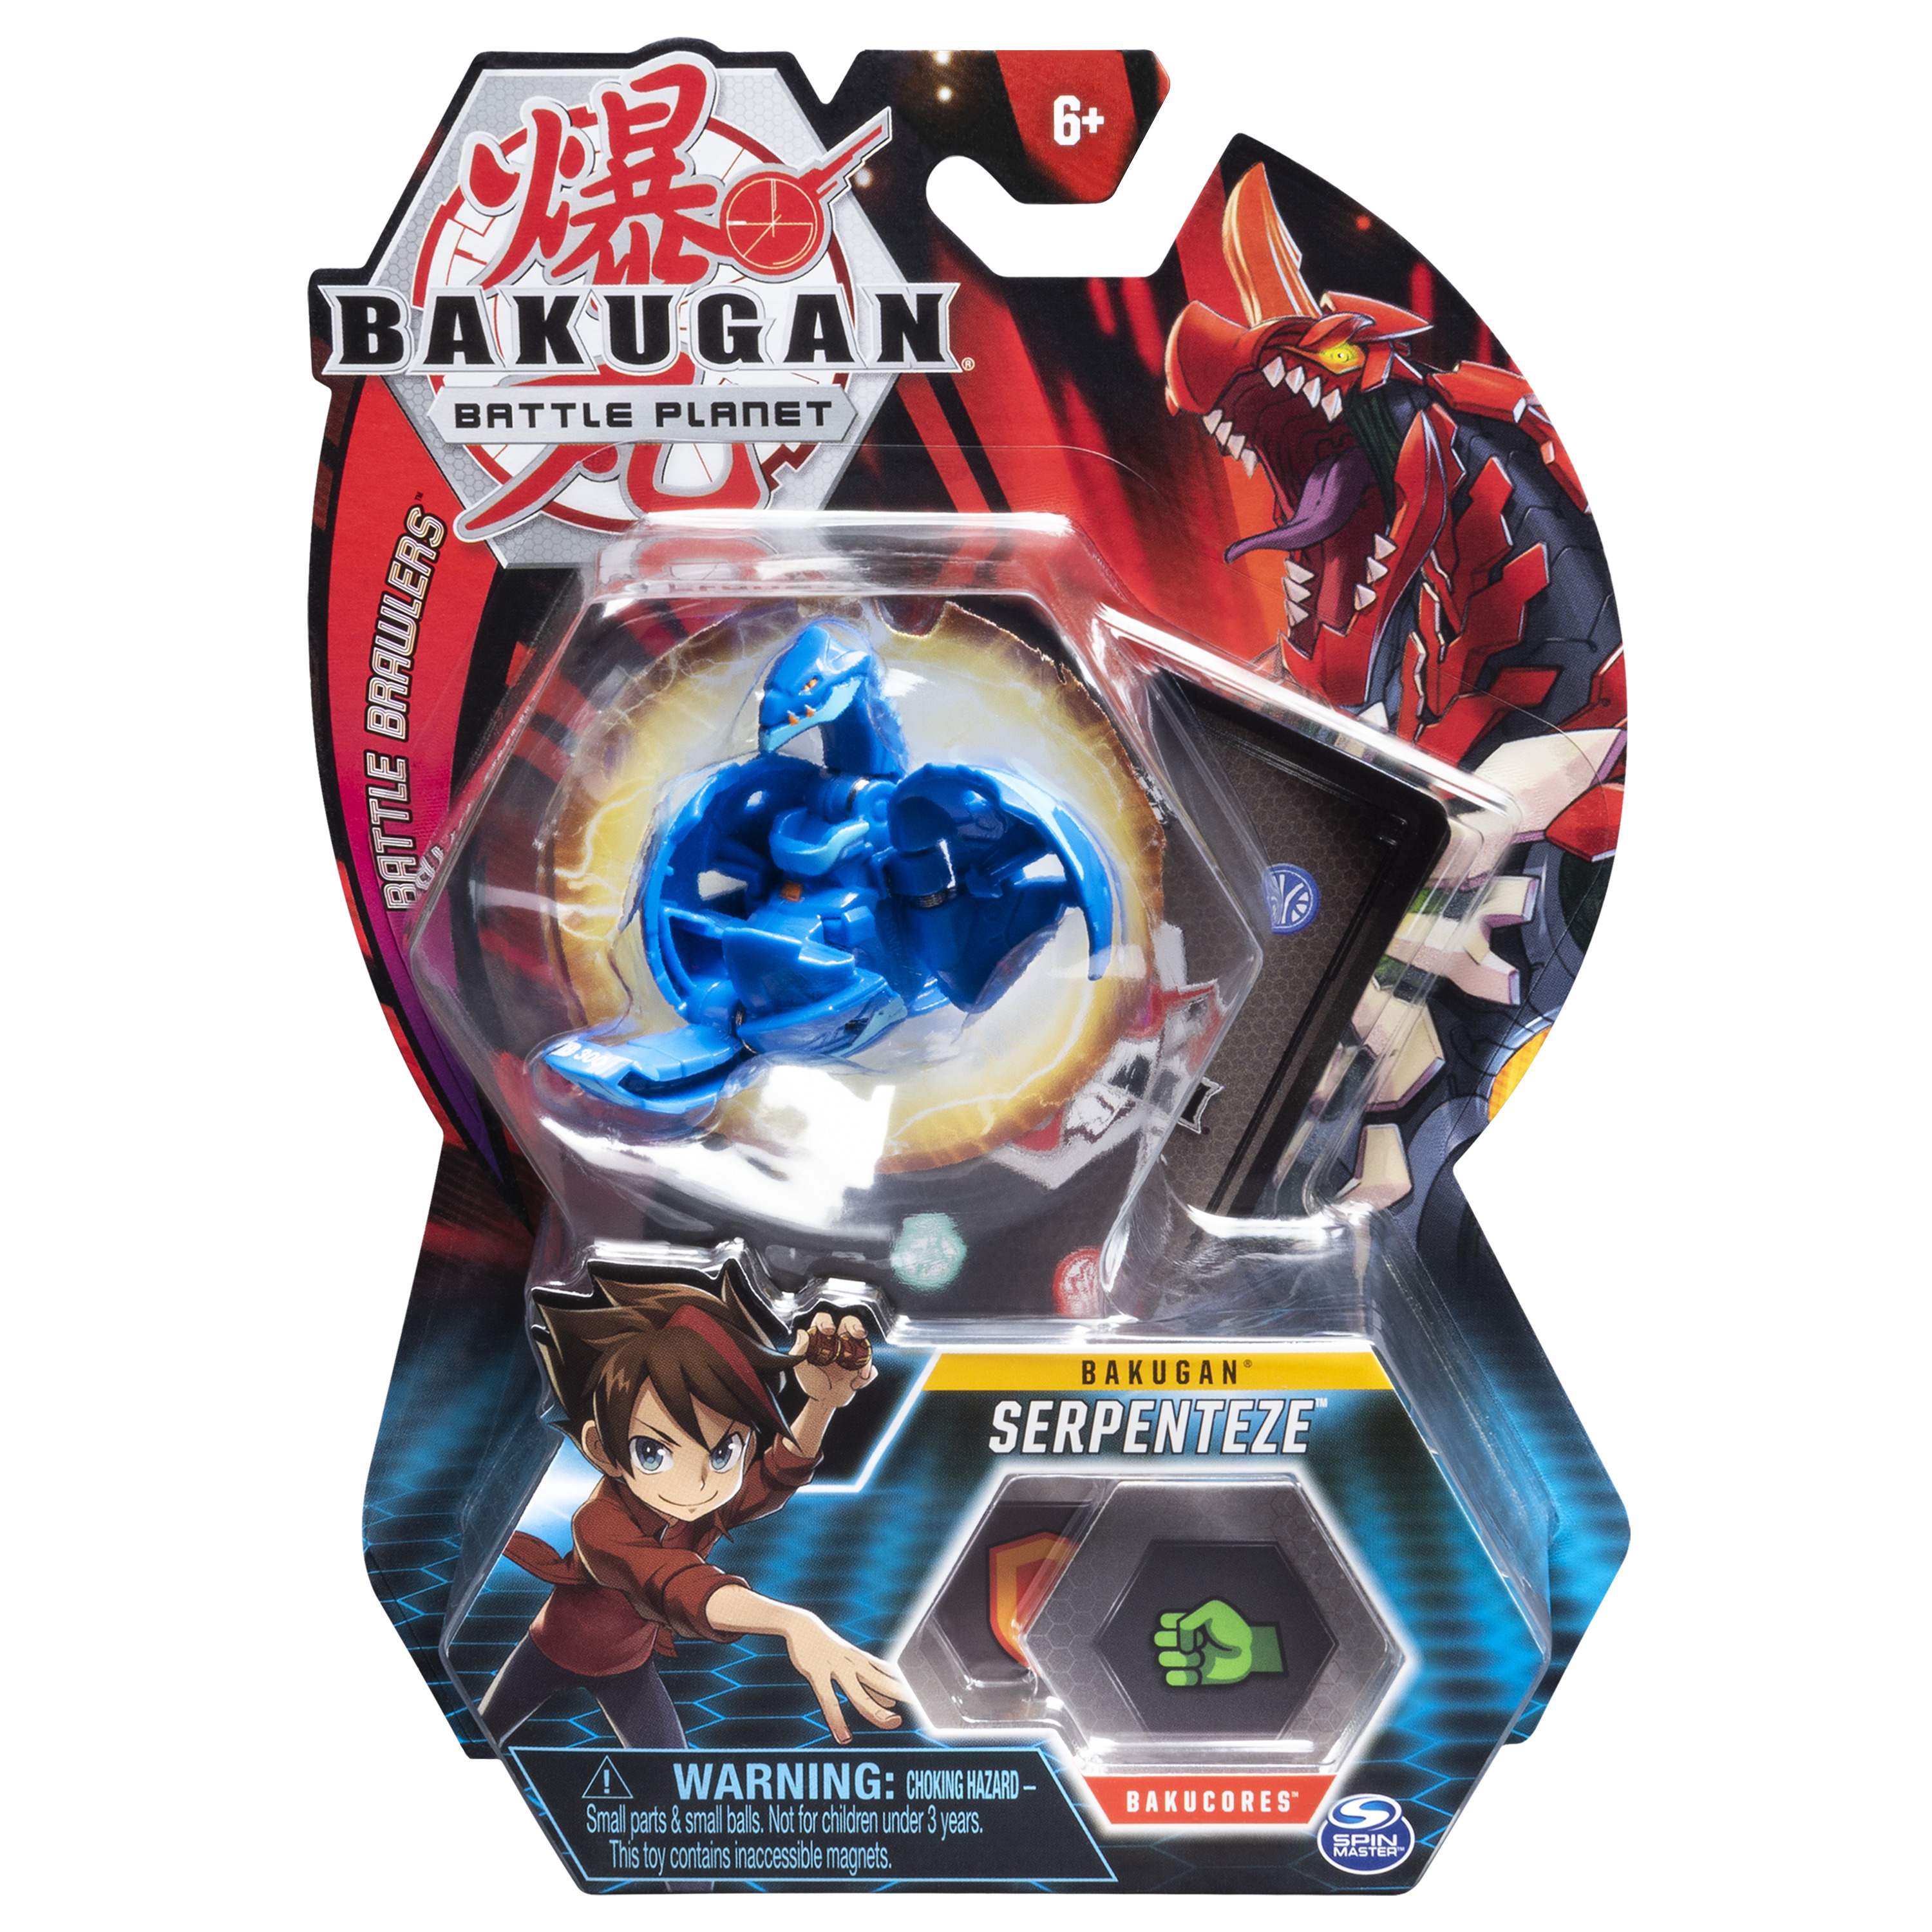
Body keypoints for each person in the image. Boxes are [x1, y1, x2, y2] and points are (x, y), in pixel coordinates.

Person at [478, 1272, 905, 1748]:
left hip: (629, 1668)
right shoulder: (598, 1524)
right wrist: (791, 1622)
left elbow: (770, 1480)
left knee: (673, 1772)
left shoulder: (699, 1506)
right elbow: (676, 1584)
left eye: (724, 1452)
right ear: (602, 1449)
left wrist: (820, 1404)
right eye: (653, 1453)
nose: (699, 1482)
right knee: (481, 1736)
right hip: (550, 1649)